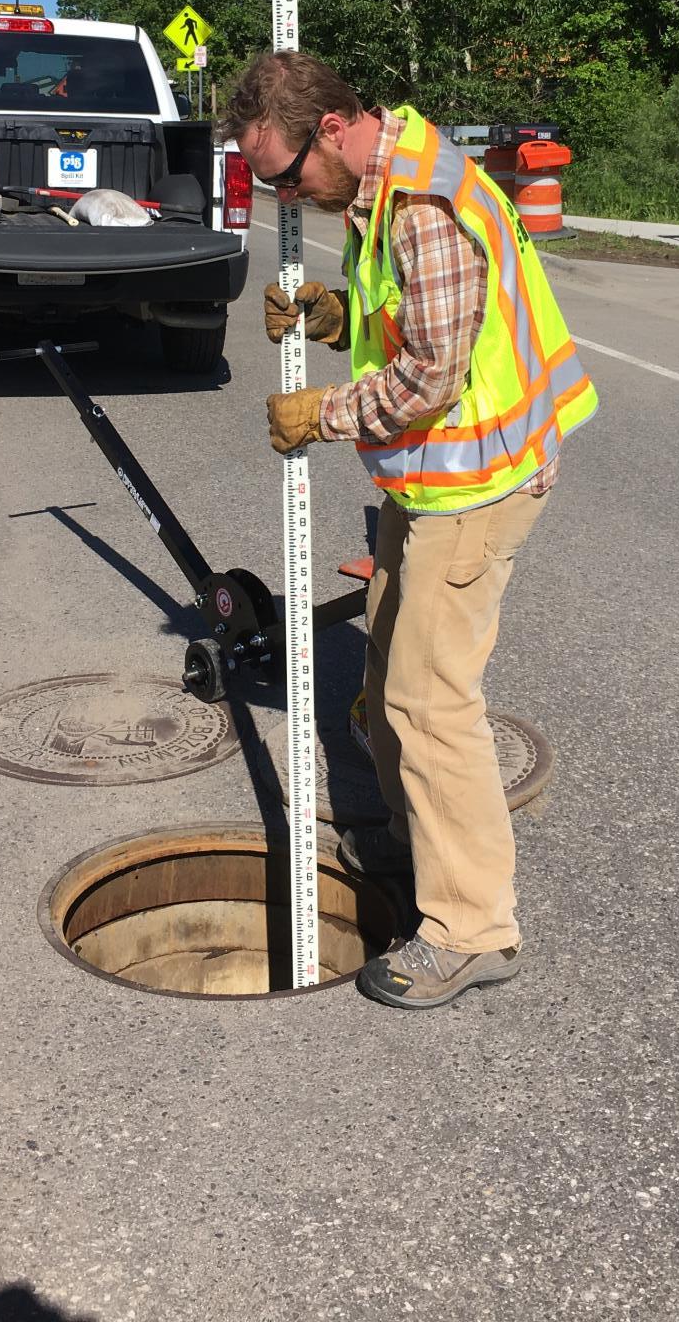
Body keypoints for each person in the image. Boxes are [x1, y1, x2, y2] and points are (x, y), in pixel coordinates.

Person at [224, 52, 598, 1009]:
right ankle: (404, 838)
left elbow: (430, 377)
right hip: (432, 484)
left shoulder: (425, 204)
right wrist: (332, 308)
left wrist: (322, 413)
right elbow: (409, 321)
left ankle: (472, 928)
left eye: (285, 176)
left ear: (336, 127)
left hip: (477, 487)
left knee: (432, 706)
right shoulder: (380, 185)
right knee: (388, 672)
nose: (283, 196)